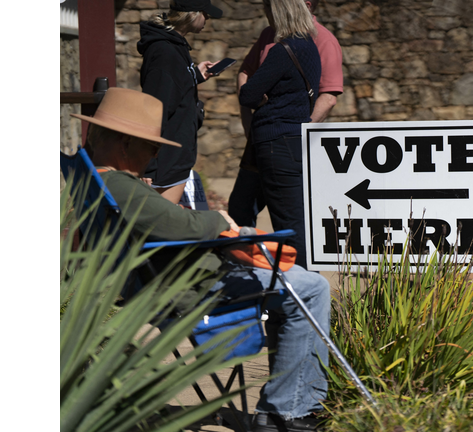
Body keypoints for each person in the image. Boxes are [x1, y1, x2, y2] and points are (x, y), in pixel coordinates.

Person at [71, 87, 329, 432]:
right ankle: (289, 410)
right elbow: (184, 226)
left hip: (157, 285)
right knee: (312, 288)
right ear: (124, 143)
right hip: (194, 286)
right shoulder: (121, 186)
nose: (153, 157)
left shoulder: (96, 182)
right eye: (151, 147)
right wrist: (221, 219)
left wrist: (150, 196)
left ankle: (281, 405)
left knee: (291, 291)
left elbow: (162, 221)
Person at [228, 0, 342, 233]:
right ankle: (245, 263)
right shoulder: (269, 34)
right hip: (264, 139)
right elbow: (246, 72)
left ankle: (295, 268)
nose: (267, 12)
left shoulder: (323, 40)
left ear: (306, 4)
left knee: (289, 218)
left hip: (284, 139)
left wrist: (296, 130)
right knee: (240, 208)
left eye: (271, 6)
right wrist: (251, 125)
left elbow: (328, 97)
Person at [237, 0, 322, 269]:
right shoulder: (309, 46)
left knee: (288, 225)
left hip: (276, 143)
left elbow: (248, 94)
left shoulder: (283, 50)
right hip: (297, 140)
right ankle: (306, 290)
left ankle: (301, 294)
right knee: (297, 219)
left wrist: (263, 96)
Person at [137, 0, 222, 205]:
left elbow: (172, 88)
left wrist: (195, 75)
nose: (208, 18)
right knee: (158, 229)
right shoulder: (166, 52)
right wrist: (149, 165)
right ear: (192, 15)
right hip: (167, 160)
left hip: (174, 155)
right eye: (205, 13)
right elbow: (155, 109)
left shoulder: (173, 46)